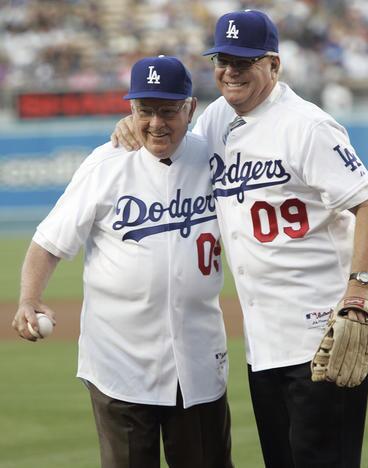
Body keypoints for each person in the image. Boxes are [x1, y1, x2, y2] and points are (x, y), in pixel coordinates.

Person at [111, 10, 368, 468]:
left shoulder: (308, 126)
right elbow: (168, 142)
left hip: (322, 334)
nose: (230, 70)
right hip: (263, 346)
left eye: (244, 60)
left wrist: (359, 289)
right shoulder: (217, 120)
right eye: (223, 59)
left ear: (274, 66)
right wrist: (129, 125)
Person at [12, 55, 234, 468]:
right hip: (120, 366)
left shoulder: (215, 157)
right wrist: (29, 297)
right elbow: (48, 242)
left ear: (191, 108)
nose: (155, 122)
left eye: (168, 110)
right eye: (144, 110)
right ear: (129, 110)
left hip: (199, 362)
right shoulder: (106, 163)